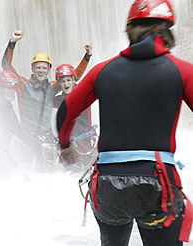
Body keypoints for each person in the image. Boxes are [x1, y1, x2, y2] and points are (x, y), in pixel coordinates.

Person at [56, 0, 193, 245]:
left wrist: (65, 145)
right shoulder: (182, 71)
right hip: (158, 183)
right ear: (167, 30)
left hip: (108, 185)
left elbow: (66, 110)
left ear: (130, 30)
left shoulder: (102, 71)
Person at [1, 30, 92, 171]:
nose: (41, 70)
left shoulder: (53, 88)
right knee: (24, 172)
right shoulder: (24, 85)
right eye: (38, 67)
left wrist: (87, 56)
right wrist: (12, 43)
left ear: (49, 69)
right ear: (32, 68)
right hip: (26, 137)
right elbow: (6, 66)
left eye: (44, 67)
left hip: (46, 139)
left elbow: (74, 77)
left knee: (46, 174)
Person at [52, 60, 98, 171]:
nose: (66, 84)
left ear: (74, 80)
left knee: (89, 171)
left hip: (86, 141)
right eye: (62, 81)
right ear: (59, 83)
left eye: (69, 80)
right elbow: (54, 122)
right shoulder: (57, 101)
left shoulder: (84, 93)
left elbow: (95, 113)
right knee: (72, 171)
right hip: (70, 144)